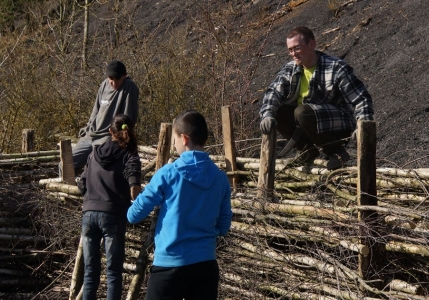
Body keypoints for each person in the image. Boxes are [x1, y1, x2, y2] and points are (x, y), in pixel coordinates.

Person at [127, 110, 232, 300]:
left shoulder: (168, 173)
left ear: (184, 139)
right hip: (205, 265)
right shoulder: (220, 178)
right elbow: (224, 226)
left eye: (174, 139)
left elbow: (134, 214)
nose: (174, 144)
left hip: (170, 265)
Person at [259, 26, 374, 170]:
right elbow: (273, 92)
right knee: (279, 110)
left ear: (312, 44)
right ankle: (307, 151)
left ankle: (336, 152)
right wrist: (267, 114)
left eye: (297, 48)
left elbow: (361, 98)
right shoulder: (290, 69)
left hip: (336, 125)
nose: (293, 54)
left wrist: (362, 122)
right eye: (290, 50)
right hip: (306, 123)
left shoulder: (335, 68)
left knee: (302, 111)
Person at [77, 114, 142, 300]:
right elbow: (134, 190)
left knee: (90, 273)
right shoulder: (130, 155)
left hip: (88, 215)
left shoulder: (94, 153)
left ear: (109, 131)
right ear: (130, 130)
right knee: (113, 274)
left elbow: (82, 184)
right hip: (113, 216)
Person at [65, 60, 139, 178]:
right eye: (111, 78)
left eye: (117, 78)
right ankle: (70, 191)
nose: (113, 82)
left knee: (96, 169)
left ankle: (89, 192)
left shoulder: (129, 87)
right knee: (65, 164)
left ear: (124, 76)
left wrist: (119, 137)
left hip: (107, 137)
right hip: (91, 134)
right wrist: (89, 126)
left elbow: (128, 117)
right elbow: (96, 109)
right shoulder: (104, 84)